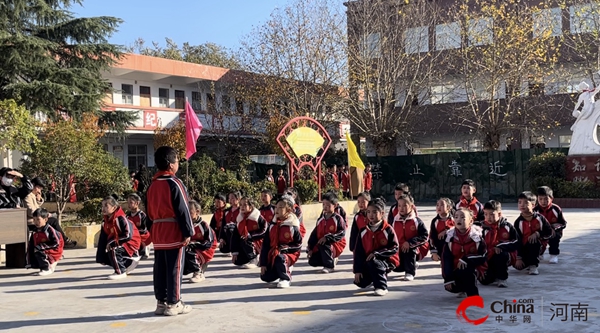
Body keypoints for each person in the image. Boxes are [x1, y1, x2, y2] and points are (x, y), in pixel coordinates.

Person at [146, 146, 195, 316]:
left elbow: (148, 213)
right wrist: (188, 231)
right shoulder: (174, 183)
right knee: (175, 267)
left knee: (160, 267)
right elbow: (183, 210)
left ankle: (161, 301)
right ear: (171, 164)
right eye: (176, 160)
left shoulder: (152, 185)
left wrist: (151, 232)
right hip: (173, 229)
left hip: (158, 231)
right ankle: (174, 302)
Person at [353, 198, 399, 296]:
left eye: (374, 212)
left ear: (382, 213)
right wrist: (357, 270)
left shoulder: (388, 229)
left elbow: (395, 247)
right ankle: (374, 278)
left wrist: (377, 253)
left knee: (374, 262)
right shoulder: (363, 231)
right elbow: (358, 252)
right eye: (368, 212)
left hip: (387, 260)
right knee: (360, 282)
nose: (371, 215)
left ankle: (381, 286)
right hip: (369, 261)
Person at [442, 208, 487, 298]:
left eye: (463, 217)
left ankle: (473, 295)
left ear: (471, 221)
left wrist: (466, 259)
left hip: (474, 269)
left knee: (466, 270)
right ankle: (463, 288)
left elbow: (483, 256)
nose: (459, 219)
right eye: (456, 217)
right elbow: (446, 259)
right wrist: (448, 278)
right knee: (451, 287)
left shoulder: (477, 237)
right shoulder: (450, 238)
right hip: (456, 270)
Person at [260, 196, 303, 288]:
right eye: (276, 207)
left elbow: (299, 244)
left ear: (289, 210)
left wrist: (286, 249)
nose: (277, 209)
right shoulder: (272, 225)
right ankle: (283, 269)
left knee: (280, 258)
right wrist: (263, 263)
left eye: (281, 207)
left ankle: (285, 278)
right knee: (265, 277)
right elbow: (266, 244)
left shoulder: (292, 226)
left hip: (289, 253)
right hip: (274, 253)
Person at [96, 196, 141, 280]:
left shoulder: (121, 218)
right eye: (102, 206)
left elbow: (128, 235)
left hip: (131, 250)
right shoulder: (105, 222)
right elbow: (102, 240)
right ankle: (124, 266)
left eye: (106, 205)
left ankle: (120, 271)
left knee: (114, 248)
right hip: (121, 247)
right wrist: (100, 257)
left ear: (114, 208)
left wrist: (111, 242)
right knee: (103, 257)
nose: (103, 208)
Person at [24, 177, 77, 248]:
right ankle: (63, 240)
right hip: (33, 221)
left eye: (41, 189)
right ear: (32, 185)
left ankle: (59, 242)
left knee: (52, 222)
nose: (39, 190)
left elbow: (36, 207)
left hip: (39, 219)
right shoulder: (28, 196)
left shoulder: (33, 196)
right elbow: (32, 212)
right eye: (38, 187)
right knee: (53, 221)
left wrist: (38, 200)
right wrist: (44, 214)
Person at [479, 201, 519, 288]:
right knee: (485, 281)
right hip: (487, 255)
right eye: (486, 214)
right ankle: (494, 275)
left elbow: (516, 242)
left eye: (491, 214)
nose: (488, 217)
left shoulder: (507, 227)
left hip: (503, 254)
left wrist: (500, 246)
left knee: (501, 255)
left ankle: (502, 278)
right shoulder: (480, 228)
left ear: (499, 214)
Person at [513, 191, 553, 276]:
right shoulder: (518, 222)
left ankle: (533, 265)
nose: (522, 205)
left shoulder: (540, 218)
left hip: (538, 245)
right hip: (524, 247)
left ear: (533, 205)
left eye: (525, 203)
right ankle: (528, 262)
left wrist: (538, 234)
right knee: (518, 266)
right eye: (520, 202)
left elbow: (549, 232)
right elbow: (517, 240)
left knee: (533, 242)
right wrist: (518, 257)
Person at [390, 194, 428, 281]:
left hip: (415, 248)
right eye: (399, 205)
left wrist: (410, 243)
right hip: (399, 248)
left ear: (411, 206)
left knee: (409, 250)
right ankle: (411, 264)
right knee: (395, 267)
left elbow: (424, 236)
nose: (401, 208)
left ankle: (410, 272)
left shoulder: (416, 221)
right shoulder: (394, 221)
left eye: (404, 205)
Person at [307, 193, 346, 273]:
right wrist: (310, 248)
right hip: (321, 244)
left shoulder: (338, 218)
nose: (325, 207)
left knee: (324, 244)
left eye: (328, 205)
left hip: (335, 244)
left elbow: (342, 233)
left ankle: (329, 266)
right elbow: (314, 234)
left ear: (334, 206)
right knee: (312, 261)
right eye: (323, 204)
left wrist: (328, 237)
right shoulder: (320, 219)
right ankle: (330, 259)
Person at [184, 200, 217, 283]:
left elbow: (209, 243)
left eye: (190, 212)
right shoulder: (185, 225)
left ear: (197, 212)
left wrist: (194, 244)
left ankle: (199, 272)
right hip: (193, 248)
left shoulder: (203, 225)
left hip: (205, 250)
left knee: (189, 250)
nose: (187, 215)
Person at [231, 196, 268, 269]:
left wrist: (251, 235)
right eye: (241, 205)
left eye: (245, 205)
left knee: (245, 239)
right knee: (237, 261)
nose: (242, 207)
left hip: (259, 242)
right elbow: (235, 236)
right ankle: (250, 258)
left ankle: (255, 259)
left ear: (251, 206)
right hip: (246, 242)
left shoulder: (257, 217)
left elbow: (265, 230)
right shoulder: (240, 219)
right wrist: (234, 252)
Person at [26, 208, 64, 276]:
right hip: (43, 249)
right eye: (34, 220)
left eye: (38, 220)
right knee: (34, 250)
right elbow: (31, 244)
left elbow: (57, 243)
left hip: (55, 250)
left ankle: (47, 268)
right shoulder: (35, 231)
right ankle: (40, 266)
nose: (36, 222)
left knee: (39, 251)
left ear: (45, 219)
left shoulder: (50, 230)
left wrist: (41, 246)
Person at [534, 186, 567, 264]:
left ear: (551, 198)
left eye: (546, 199)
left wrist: (554, 228)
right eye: (540, 199)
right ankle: (540, 253)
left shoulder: (556, 209)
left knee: (554, 238)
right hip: (541, 231)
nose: (543, 201)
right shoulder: (535, 210)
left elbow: (563, 223)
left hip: (554, 231)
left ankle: (553, 255)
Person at [126, 193, 151, 259]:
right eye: (128, 203)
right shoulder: (127, 216)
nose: (129, 205)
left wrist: (135, 232)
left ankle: (144, 249)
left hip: (142, 235)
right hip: (132, 235)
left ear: (137, 203)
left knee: (143, 236)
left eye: (131, 202)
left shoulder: (142, 215)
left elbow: (145, 229)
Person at [429, 198, 455, 262]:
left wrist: (446, 231)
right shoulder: (435, 221)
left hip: (453, 246)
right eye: (437, 205)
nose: (439, 207)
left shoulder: (454, 219)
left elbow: (459, 229)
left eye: (442, 205)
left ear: (449, 207)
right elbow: (432, 237)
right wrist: (433, 252)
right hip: (440, 246)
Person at [219, 191, 241, 256]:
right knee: (223, 248)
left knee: (231, 229)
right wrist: (221, 238)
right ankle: (230, 246)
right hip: (228, 235)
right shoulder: (226, 211)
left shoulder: (241, 210)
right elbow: (223, 225)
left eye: (232, 198)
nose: (230, 200)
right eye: (229, 198)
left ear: (238, 199)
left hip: (238, 234)